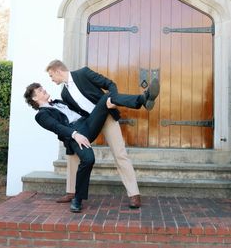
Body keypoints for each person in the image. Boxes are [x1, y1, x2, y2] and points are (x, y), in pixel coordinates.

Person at [24, 81, 158, 212]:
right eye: (40, 90)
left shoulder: (58, 102)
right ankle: (78, 198)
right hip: (75, 134)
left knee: (106, 97)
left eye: (42, 88)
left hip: (87, 123)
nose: (44, 90)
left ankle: (142, 99)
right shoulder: (41, 115)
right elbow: (57, 127)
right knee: (88, 159)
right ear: (35, 98)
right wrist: (75, 135)